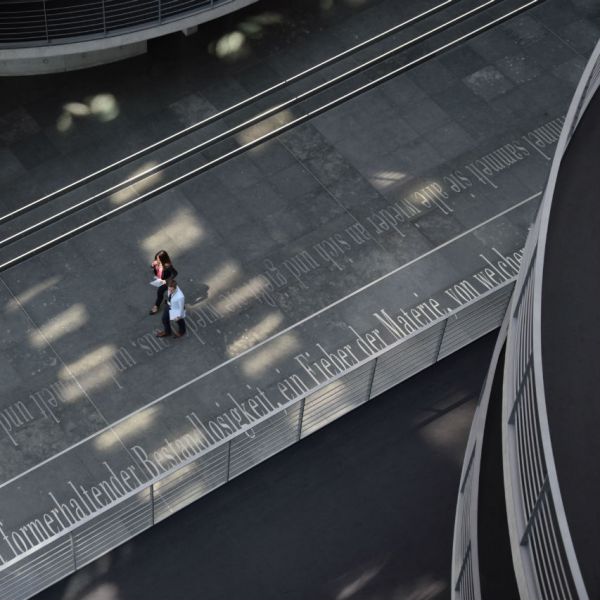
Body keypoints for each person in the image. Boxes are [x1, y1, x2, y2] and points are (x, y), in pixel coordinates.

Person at [149, 250, 177, 315]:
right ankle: (167, 302)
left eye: (158, 259)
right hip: (160, 280)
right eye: (156, 258)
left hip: (167, 282)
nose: (157, 260)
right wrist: (153, 265)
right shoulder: (156, 262)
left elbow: (175, 273)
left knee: (161, 292)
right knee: (167, 293)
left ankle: (157, 306)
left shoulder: (168, 266)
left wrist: (166, 280)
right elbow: (153, 268)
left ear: (163, 259)